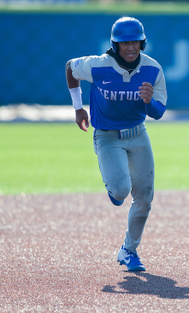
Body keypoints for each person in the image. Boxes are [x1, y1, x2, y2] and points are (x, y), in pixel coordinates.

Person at [65, 17, 168, 271]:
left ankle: (128, 251)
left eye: (135, 42)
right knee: (121, 191)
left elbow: (158, 112)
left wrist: (148, 102)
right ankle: (114, 187)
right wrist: (78, 108)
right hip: (107, 136)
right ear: (115, 44)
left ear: (142, 43)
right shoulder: (99, 65)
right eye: (124, 43)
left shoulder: (153, 69)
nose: (130, 47)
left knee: (144, 198)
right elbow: (70, 68)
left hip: (138, 134)